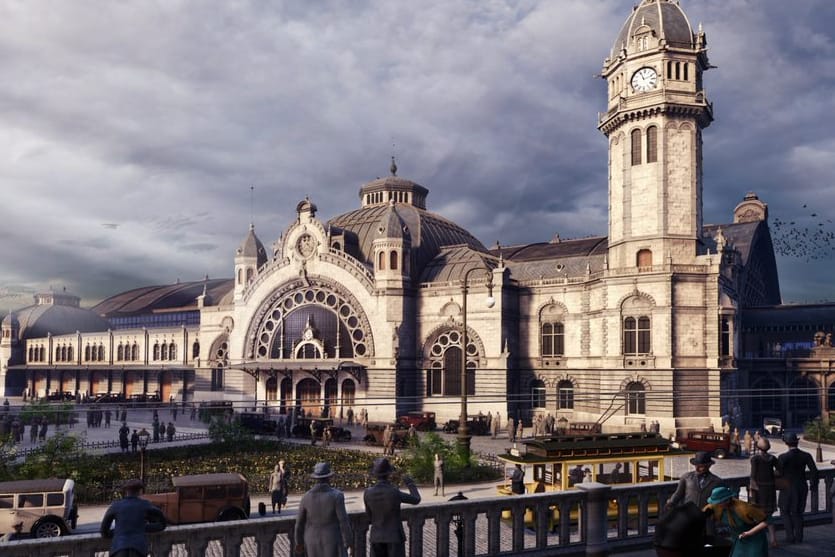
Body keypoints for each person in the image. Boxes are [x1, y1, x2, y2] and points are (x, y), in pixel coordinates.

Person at [364, 457, 421, 557]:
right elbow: (416, 499)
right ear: (389, 474)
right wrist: (410, 484)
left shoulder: (368, 493)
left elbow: (369, 517)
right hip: (394, 537)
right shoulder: (394, 492)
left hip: (376, 536)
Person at [294, 462, 352, 557]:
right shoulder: (337, 496)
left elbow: (299, 524)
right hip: (332, 540)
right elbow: (344, 522)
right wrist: (348, 542)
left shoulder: (306, 497)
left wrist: (299, 544)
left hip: (311, 542)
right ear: (329, 477)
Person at [100, 479, 167, 557]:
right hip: (138, 548)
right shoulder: (145, 504)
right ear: (139, 491)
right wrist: (142, 527)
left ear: (126, 491)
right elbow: (162, 524)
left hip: (118, 548)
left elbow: (104, 531)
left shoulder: (116, 506)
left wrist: (119, 530)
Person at [703, 486, 769, 557]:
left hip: (754, 538)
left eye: (719, 502)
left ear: (727, 500)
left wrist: (749, 533)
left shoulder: (744, 508)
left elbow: (766, 521)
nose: (716, 504)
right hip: (737, 538)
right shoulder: (714, 507)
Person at [777, 432, 818, 544]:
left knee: (785, 511)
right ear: (797, 442)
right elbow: (814, 471)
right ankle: (799, 537)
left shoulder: (783, 457)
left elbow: (778, 473)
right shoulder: (806, 455)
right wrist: (813, 485)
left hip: (787, 487)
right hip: (801, 486)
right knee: (798, 512)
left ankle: (790, 536)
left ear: (786, 443)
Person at [749, 436, 779, 547]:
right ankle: (773, 539)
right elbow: (780, 471)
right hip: (770, 489)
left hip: (759, 490)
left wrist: (752, 493)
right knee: (769, 515)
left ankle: (758, 540)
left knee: (758, 516)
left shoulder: (755, 459)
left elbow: (753, 476)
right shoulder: (773, 458)